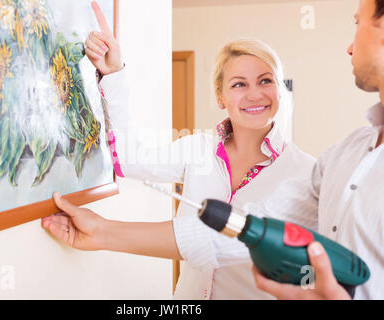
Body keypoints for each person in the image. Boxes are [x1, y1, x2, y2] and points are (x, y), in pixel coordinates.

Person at [41, 1, 317, 299]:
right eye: (239, 84)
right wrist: (114, 73)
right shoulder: (197, 149)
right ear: (220, 97)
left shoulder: (306, 173)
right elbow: (132, 161)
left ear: (279, 89)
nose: (254, 94)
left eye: (265, 81)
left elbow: (312, 268)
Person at [250, 0, 384, 300]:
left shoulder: (299, 160)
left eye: (357, 22)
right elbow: (256, 222)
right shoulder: (345, 154)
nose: (349, 48)